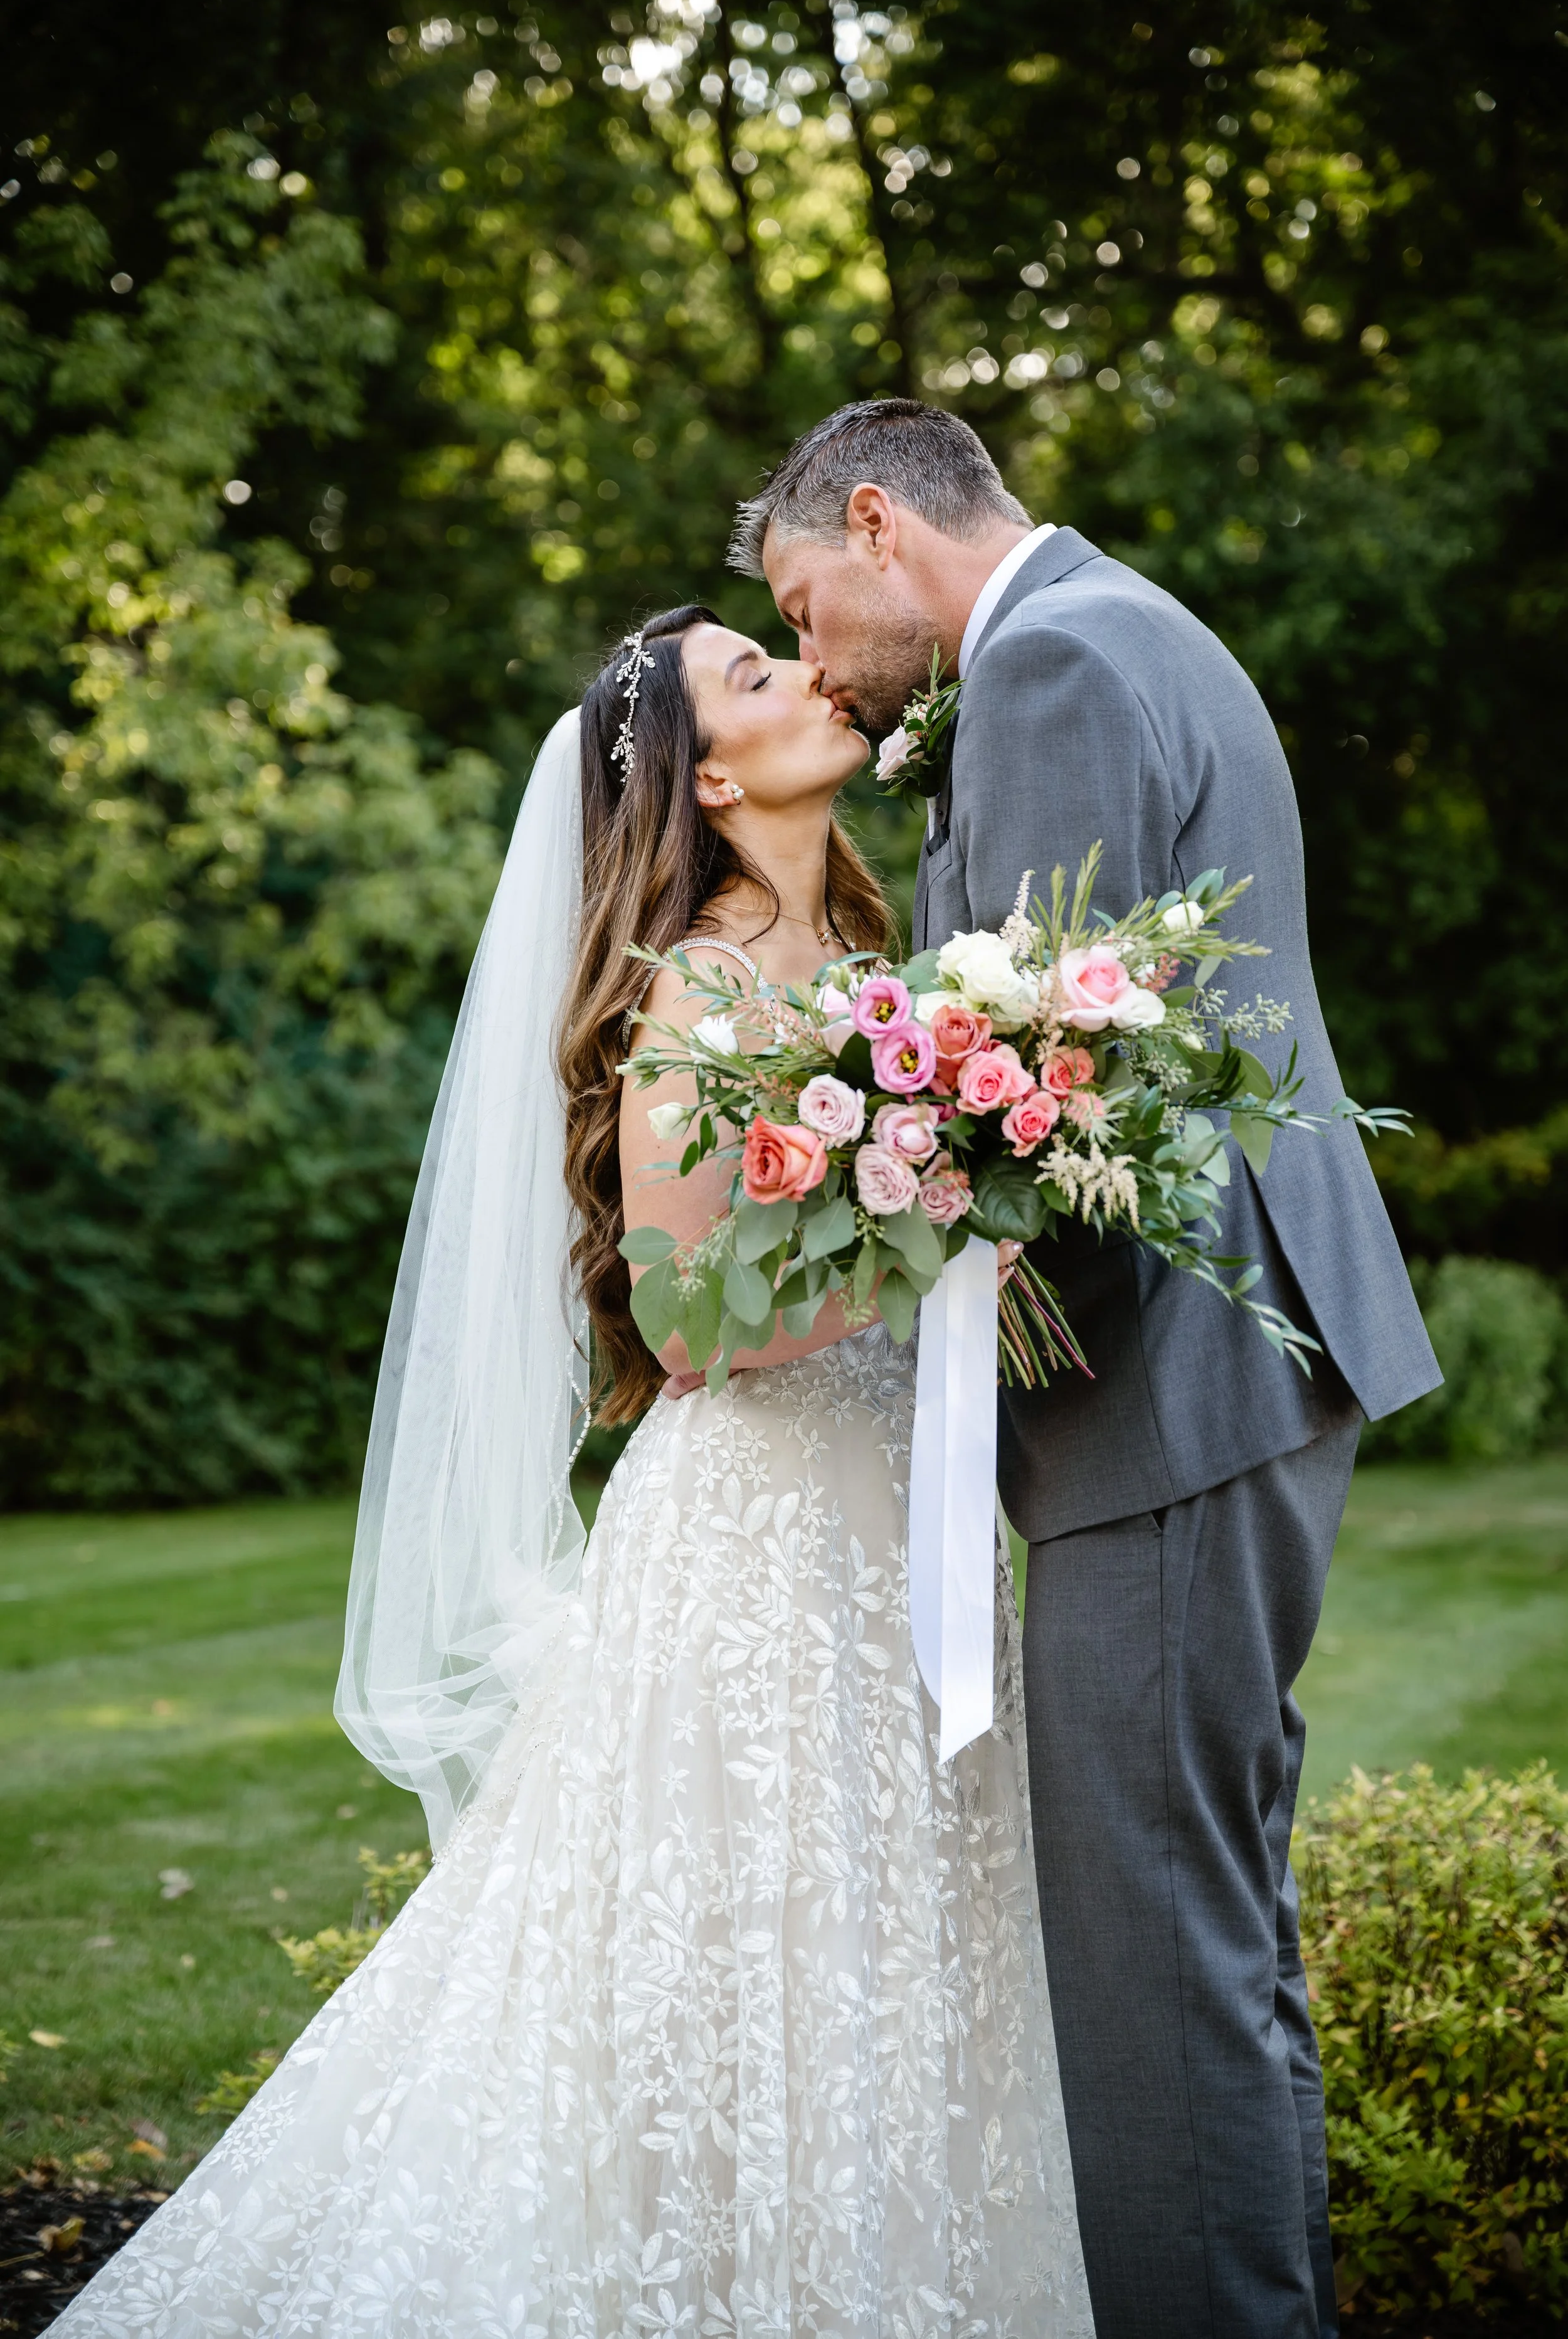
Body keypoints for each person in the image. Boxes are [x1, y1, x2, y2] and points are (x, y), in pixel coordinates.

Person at [51, 606, 1093, 2336]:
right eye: (752, 677)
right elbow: (685, 1318)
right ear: (704, 771)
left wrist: (952, 1180)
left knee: (893, 1948)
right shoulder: (696, 983)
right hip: (756, 1536)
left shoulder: (861, 948)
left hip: (883, 1506)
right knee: (728, 1956)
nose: (802, 677)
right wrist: (941, 1215)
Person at [731, 399, 1441, 2339]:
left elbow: (1030, 1085)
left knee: (1145, 1937)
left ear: (876, 521)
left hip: (1169, 1383)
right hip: (1226, 1358)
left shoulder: (1046, 660)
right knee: (1205, 1909)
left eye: (805, 605)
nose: (812, 660)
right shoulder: (1113, 623)